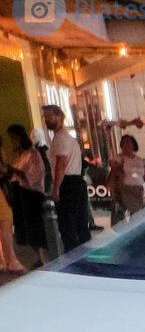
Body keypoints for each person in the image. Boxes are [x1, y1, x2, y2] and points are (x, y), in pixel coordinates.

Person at [41, 105, 90, 253]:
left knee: (68, 224)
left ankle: (74, 257)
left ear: (58, 116)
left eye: (48, 116)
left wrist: (56, 188)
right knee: (80, 223)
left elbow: (61, 165)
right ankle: (85, 255)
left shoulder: (60, 138)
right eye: (45, 117)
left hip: (68, 183)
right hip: (76, 181)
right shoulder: (68, 138)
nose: (46, 120)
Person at [2, 124, 45, 267]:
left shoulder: (33, 154)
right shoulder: (20, 156)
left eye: (14, 138)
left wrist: (12, 169)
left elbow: (30, 176)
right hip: (21, 194)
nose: (12, 142)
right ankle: (38, 256)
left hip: (31, 194)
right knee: (27, 226)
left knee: (34, 224)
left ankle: (41, 257)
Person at [106, 134, 145, 222]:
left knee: (136, 212)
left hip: (138, 188)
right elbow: (114, 173)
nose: (126, 145)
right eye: (124, 143)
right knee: (135, 211)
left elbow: (144, 174)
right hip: (126, 188)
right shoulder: (119, 159)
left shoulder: (139, 159)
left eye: (128, 142)